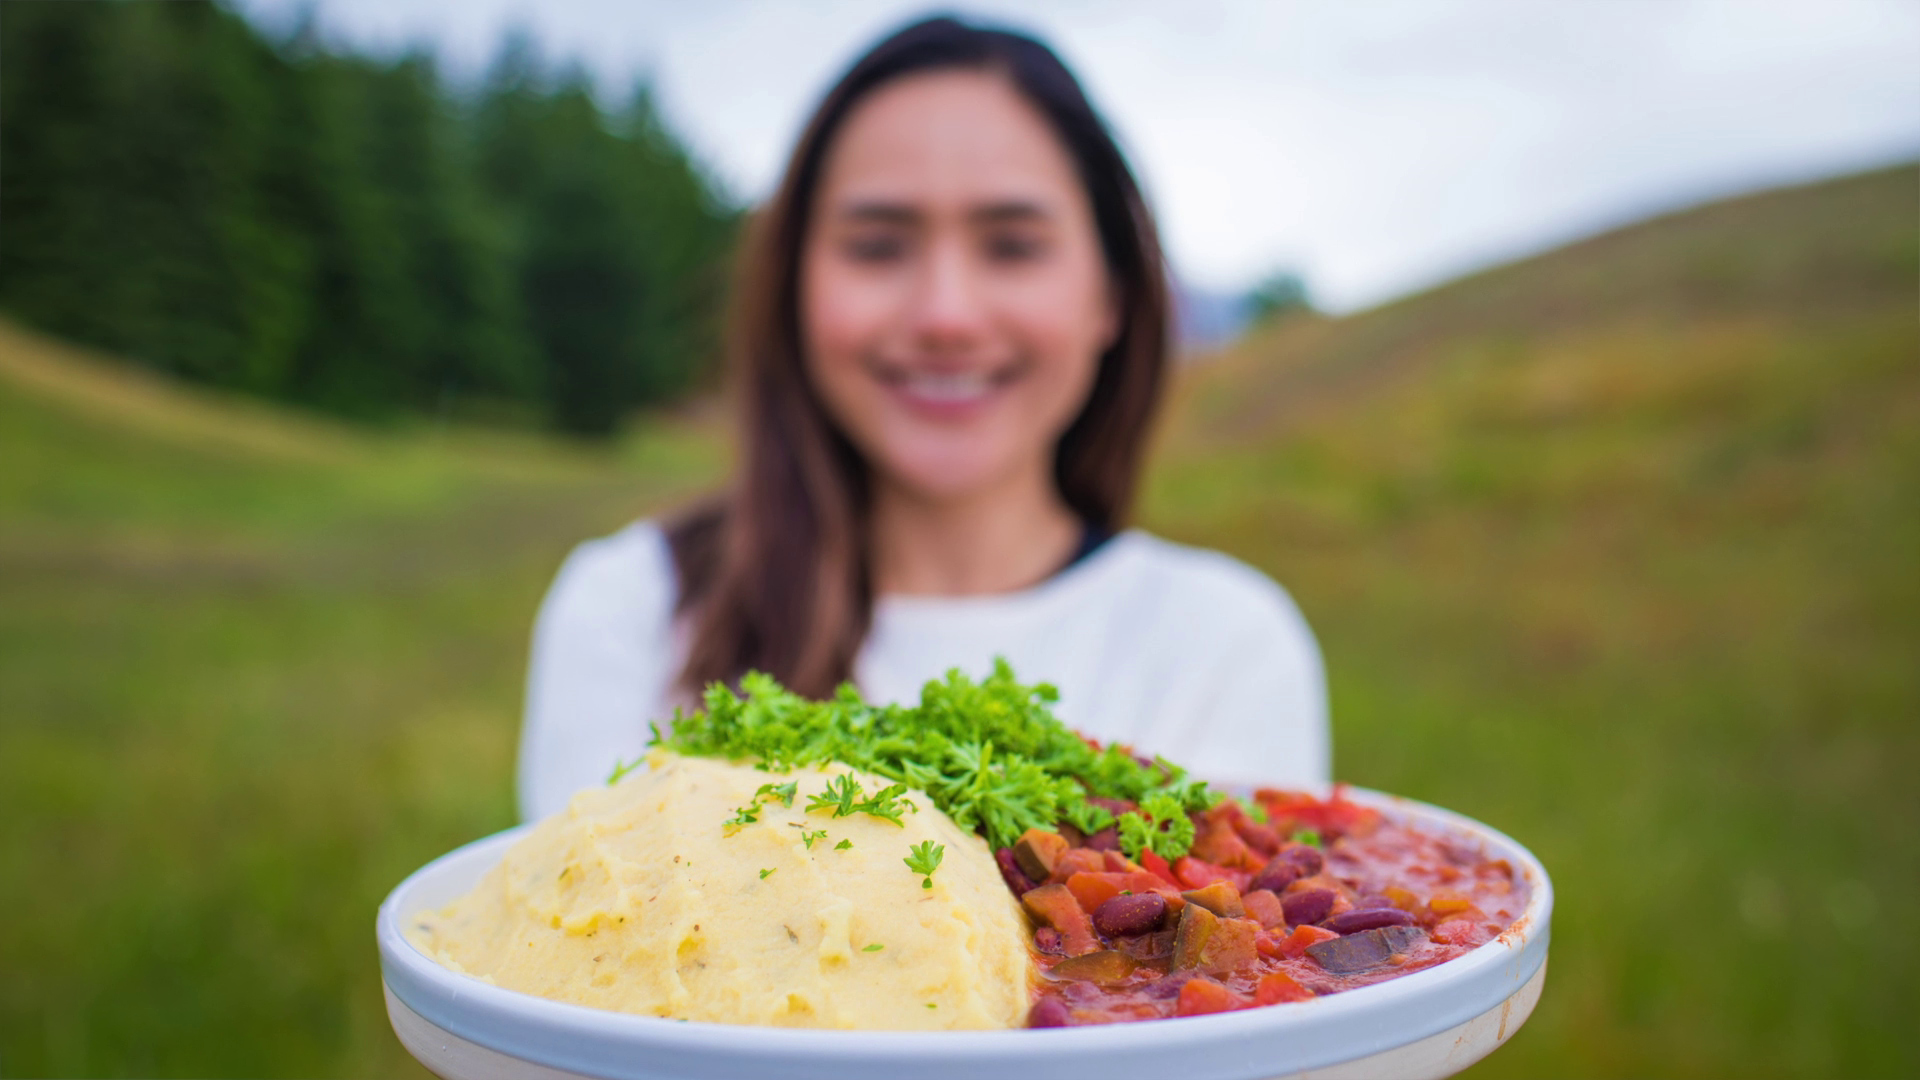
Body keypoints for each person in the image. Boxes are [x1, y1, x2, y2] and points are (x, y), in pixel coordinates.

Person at [516, 16, 1328, 823]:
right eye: (877, 246)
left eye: (1012, 246)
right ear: (795, 287)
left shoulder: (1227, 644)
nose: (946, 315)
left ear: (1110, 295)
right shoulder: (635, 609)